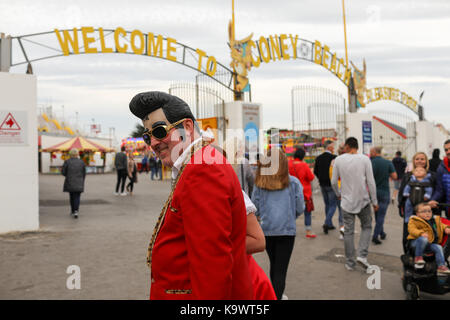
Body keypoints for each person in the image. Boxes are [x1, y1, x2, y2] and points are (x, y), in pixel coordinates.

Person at [129, 91, 253, 300]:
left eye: (159, 131)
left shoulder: (202, 168)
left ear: (186, 127)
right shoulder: (199, 162)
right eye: (147, 136)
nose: (153, 143)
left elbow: (212, 266)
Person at [251, 148, 305, 300]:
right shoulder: (293, 182)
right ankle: (277, 295)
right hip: (286, 231)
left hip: (267, 231)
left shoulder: (260, 183)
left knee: (274, 265)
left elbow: (254, 207)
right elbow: (300, 207)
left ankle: (274, 294)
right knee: (281, 269)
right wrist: (290, 217)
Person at [331, 137, 378, 271]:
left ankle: (350, 263)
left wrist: (338, 194)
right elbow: (371, 182)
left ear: (346, 146)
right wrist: (374, 201)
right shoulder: (365, 159)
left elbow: (334, 181)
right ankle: (362, 255)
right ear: (356, 147)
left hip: (346, 202)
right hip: (363, 200)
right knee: (367, 227)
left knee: (349, 232)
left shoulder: (339, 160)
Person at [398, 152, 437, 253]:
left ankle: (427, 259)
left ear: (426, 161)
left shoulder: (432, 175)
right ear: (414, 161)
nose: (420, 161)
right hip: (410, 211)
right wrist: (401, 206)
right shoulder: (408, 175)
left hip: (426, 211)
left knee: (428, 235)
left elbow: (436, 190)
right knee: (408, 235)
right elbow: (402, 191)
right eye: (417, 159)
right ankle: (408, 257)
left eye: (422, 159)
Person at [242, 190, 277, 300]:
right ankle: (279, 293)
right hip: (286, 228)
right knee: (279, 268)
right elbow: (299, 204)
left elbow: (256, 199)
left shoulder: (260, 180)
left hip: (266, 225)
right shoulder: (292, 181)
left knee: (275, 265)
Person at [407, 202, 450, 275]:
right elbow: (412, 230)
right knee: (423, 239)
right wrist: (420, 233)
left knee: (438, 247)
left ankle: (441, 266)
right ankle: (418, 258)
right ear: (417, 214)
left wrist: (446, 228)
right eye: (424, 211)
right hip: (416, 243)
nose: (427, 213)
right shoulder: (414, 220)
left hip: (429, 244)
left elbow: (441, 225)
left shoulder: (434, 220)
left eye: (429, 211)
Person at [370, 146, 397, 245]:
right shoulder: (388, 163)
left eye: (370, 152)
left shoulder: (370, 163)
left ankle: (382, 232)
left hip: (373, 192)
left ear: (374, 152)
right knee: (381, 215)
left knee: (377, 213)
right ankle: (375, 235)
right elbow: (395, 176)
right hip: (384, 192)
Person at [289, 147, 316, 238]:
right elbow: (311, 178)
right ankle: (308, 231)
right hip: (305, 192)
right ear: (303, 156)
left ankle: (290, 229)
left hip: (291, 191)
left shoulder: (289, 164)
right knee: (307, 211)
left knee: (292, 211)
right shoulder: (304, 165)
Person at [314, 140, 338, 234]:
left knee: (327, 204)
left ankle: (329, 224)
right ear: (329, 147)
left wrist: (321, 178)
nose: (334, 148)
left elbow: (315, 171)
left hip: (322, 184)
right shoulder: (334, 158)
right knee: (333, 205)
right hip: (331, 184)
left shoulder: (318, 158)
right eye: (332, 146)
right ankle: (327, 222)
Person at [61, 148, 86, 219]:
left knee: (71, 196)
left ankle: (72, 211)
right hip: (79, 182)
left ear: (70, 154)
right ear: (77, 154)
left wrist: (68, 175)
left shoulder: (67, 162)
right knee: (77, 197)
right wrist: (81, 179)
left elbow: (63, 172)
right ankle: (76, 211)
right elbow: (84, 173)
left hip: (70, 181)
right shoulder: (81, 162)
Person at [430, 139, 450, 218]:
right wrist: (432, 200)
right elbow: (439, 190)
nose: (448, 151)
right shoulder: (441, 168)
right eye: (446, 150)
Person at [329, 143, 346, 239]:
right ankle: (344, 228)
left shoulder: (333, 161)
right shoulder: (347, 161)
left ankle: (342, 228)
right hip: (346, 188)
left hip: (336, 187)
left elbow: (332, 177)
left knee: (340, 210)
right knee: (345, 211)